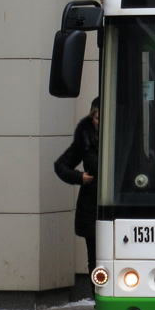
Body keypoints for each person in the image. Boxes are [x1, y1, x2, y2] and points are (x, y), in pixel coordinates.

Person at [55, 97, 100, 276]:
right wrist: (79, 177)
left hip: (116, 206)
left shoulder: (122, 139)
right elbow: (61, 166)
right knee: (95, 259)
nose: (100, 122)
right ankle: (97, 298)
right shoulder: (85, 141)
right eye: (97, 118)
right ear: (92, 119)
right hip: (91, 208)